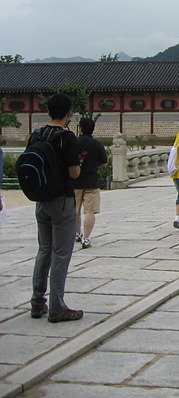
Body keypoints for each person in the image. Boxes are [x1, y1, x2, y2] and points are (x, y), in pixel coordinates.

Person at [29, 93, 83, 322]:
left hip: (41, 200)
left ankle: (37, 302)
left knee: (44, 250)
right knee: (61, 254)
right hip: (61, 200)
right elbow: (74, 173)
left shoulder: (37, 134)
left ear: (48, 111)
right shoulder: (67, 138)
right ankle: (57, 306)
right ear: (69, 113)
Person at [73, 117, 108, 249]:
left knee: (74, 210)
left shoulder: (73, 143)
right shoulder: (96, 144)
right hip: (91, 181)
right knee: (90, 211)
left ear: (80, 128)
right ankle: (86, 238)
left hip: (74, 181)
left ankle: (77, 233)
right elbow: (104, 163)